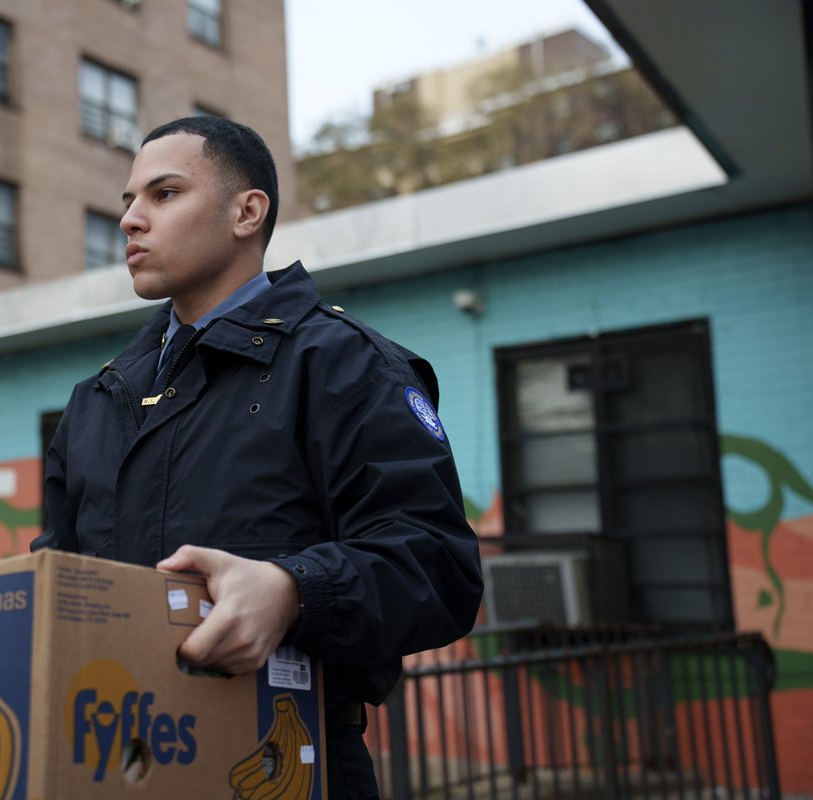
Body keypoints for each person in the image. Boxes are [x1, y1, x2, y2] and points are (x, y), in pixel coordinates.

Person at [35, 115, 482, 798]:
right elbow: (60, 575)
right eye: (128, 201)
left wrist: (293, 591)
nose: (129, 219)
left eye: (164, 193)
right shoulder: (98, 399)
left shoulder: (343, 365)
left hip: (289, 761)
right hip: (111, 764)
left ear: (247, 212)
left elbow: (438, 565)